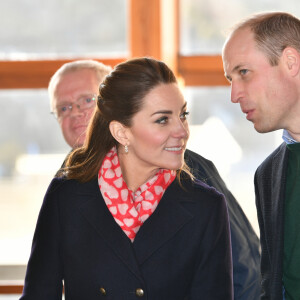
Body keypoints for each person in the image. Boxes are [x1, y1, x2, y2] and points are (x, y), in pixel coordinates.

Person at [20, 57, 233, 299]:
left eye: (182, 115)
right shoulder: (67, 196)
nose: (182, 131)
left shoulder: (206, 206)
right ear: (122, 132)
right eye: (162, 120)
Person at [222, 11, 300, 300]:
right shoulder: (268, 174)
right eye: (230, 78)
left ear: (290, 62)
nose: (234, 94)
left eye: (243, 72)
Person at [48, 59, 112, 148]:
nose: (74, 113)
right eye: (64, 108)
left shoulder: (134, 158)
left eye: (87, 100)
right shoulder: (72, 161)